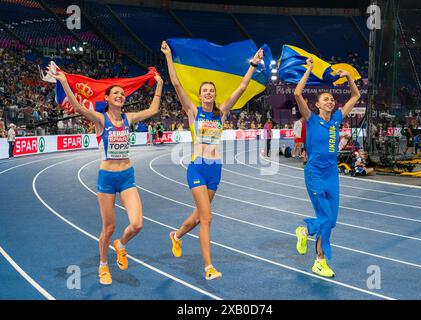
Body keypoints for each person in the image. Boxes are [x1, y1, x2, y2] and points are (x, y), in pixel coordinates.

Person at [47, 65, 163, 285]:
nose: (120, 95)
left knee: (137, 224)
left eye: (122, 93)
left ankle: (121, 245)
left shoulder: (129, 118)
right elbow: (78, 107)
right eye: (116, 93)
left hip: (127, 176)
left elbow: (153, 110)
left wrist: (159, 84)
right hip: (107, 179)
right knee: (108, 228)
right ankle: (103, 265)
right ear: (107, 98)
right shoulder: (101, 119)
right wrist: (63, 81)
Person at [161, 40, 264, 280]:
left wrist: (253, 64)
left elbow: (241, 87)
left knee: (198, 216)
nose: (208, 93)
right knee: (207, 217)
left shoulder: (222, 112)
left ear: (215, 95)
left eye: (212, 91)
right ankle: (208, 267)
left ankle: (176, 236)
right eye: (205, 90)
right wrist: (168, 56)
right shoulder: (193, 111)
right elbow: (176, 84)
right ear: (200, 94)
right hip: (197, 168)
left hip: (215, 170)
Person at [293, 57, 360, 277]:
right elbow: (297, 94)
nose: (330, 101)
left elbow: (355, 96)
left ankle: (314, 248)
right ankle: (313, 247)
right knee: (324, 216)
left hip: (332, 174)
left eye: (331, 99)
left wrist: (349, 76)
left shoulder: (336, 119)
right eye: (325, 99)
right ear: (318, 104)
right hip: (314, 173)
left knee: (331, 221)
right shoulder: (311, 119)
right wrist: (309, 69)